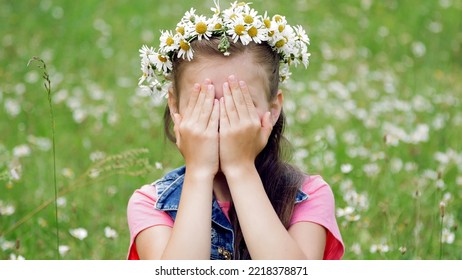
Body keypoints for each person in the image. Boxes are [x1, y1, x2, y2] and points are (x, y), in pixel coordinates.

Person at [127, 1, 344, 260]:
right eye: (204, 104)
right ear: (175, 108)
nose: (223, 120)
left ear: (273, 110)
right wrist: (199, 171)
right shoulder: (151, 205)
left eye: (240, 104)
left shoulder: (308, 197)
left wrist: (241, 168)